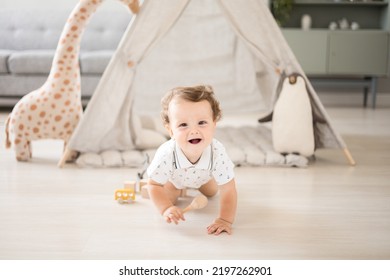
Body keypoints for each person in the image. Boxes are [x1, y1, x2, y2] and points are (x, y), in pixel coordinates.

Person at [146, 85, 237, 235]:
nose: (194, 131)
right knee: (169, 199)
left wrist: (225, 220)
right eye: (183, 125)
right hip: (175, 180)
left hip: (204, 178)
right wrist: (166, 209)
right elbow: (154, 185)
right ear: (170, 130)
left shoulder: (217, 151)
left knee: (212, 192)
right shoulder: (166, 153)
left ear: (214, 123)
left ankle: (202, 185)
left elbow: (228, 188)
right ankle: (179, 190)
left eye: (202, 123)